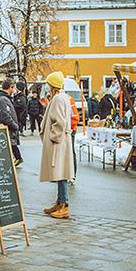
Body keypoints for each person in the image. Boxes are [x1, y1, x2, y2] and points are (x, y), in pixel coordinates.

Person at [39, 71, 75, 219]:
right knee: (60, 173)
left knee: (61, 174)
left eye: (48, 84)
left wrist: (53, 137)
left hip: (58, 142)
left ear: (53, 85)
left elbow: (60, 121)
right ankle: (59, 202)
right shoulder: (61, 97)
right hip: (61, 141)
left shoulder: (59, 99)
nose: (46, 86)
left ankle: (64, 205)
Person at [0, 79, 22, 166]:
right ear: (10, 87)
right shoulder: (3, 100)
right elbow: (5, 117)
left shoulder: (3, 99)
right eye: (14, 88)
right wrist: (15, 126)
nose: (14, 90)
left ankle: (16, 159)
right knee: (6, 150)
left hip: (6, 131)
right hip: (6, 131)